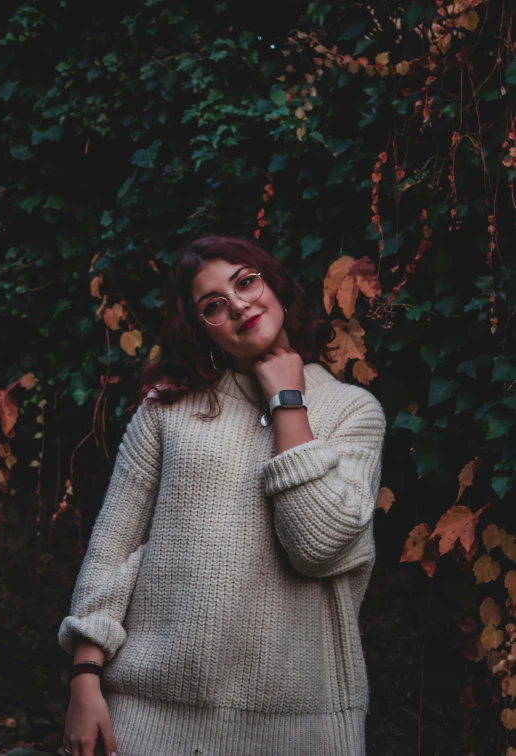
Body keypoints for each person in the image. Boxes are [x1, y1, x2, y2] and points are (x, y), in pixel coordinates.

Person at [58, 235, 387, 756]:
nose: (238, 304)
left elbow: (317, 545)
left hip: (298, 727)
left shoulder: (354, 412)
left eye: (246, 281)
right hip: (148, 717)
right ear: (202, 330)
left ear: (274, 286)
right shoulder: (167, 410)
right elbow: (112, 549)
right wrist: (84, 679)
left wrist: (288, 400)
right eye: (213, 305)